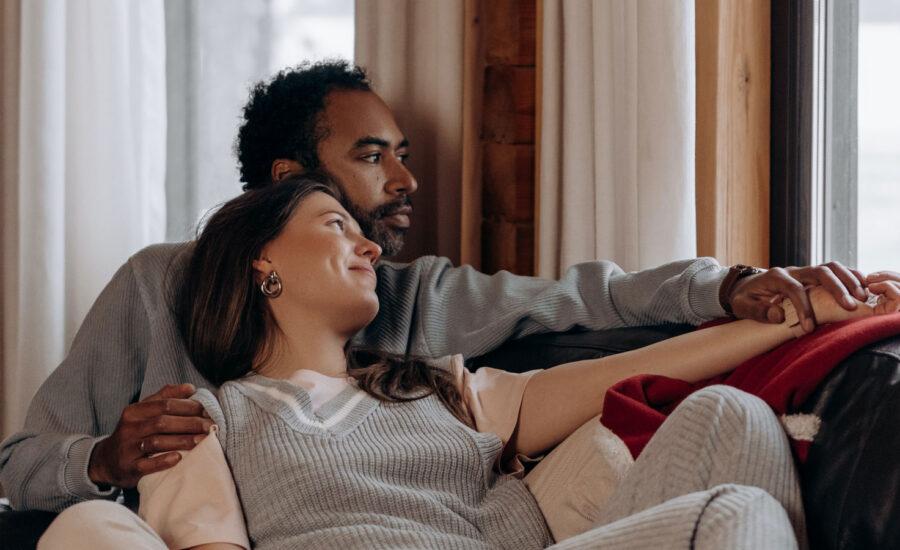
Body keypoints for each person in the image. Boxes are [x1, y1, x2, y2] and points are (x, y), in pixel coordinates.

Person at [0, 60, 891, 513]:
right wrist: (106, 461)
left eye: (406, 155)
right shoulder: (159, 286)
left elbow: (591, 296)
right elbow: (21, 462)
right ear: (283, 182)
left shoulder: (415, 300)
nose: (406, 181)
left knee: (729, 425)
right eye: (371, 157)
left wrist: (739, 288)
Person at [36, 176, 900, 549]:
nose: (370, 244)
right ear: (261, 264)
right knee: (733, 516)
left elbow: (646, 367)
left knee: (732, 418)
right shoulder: (205, 418)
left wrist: (790, 316)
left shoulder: (435, 384)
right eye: (336, 225)